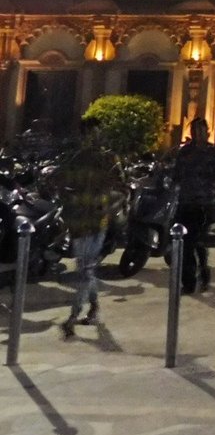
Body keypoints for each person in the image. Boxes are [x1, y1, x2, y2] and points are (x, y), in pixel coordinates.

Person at [56, 116, 120, 337]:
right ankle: (93, 306)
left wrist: (110, 207)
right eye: (89, 133)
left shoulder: (108, 159)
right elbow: (57, 181)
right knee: (85, 268)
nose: (93, 138)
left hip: (97, 222)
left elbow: (122, 187)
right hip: (78, 221)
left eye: (96, 133)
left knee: (84, 269)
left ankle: (73, 317)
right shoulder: (74, 159)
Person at [172, 116, 215, 295]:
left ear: (207, 131)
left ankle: (202, 271)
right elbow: (176, 174)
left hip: (204, 203)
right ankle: (189, 281)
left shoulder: (212, 152)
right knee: (185, 244)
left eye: (201, 130)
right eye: (195, 130)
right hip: (185, 201)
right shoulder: (184, 152)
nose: (198, 134)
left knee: (196, 241)